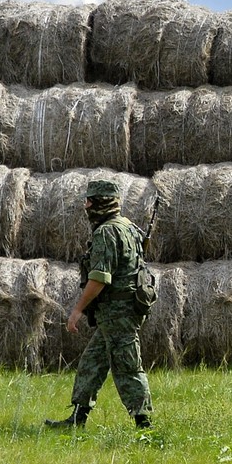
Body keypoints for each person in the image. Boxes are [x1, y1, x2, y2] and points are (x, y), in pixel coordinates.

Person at [45, 177, 154, 430]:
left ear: (100, 203)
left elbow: (99, 278)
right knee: (91, 364)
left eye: (89, 201)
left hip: (118, 313)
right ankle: (77, 420)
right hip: (118, 312)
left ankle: (144, 425)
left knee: (128, 366)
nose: (85, 206)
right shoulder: (128, 226)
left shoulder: (107, 232)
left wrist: (77, 310)